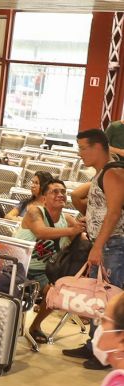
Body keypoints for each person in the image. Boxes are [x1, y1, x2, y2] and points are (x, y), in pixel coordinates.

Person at [66, 128, 124, 369]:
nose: (80, 153)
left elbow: (114, 213)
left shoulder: (112, 173)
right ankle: (94, 345)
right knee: (97, 297)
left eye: (83, 148)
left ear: (98, 147)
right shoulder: (102, 173)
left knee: (109, 299)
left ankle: (106, 352)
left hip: (113, 245)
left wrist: (98, 246)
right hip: (106, 244)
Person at [18, 179, 85, 343]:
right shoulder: (35, 212)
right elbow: (41, 232)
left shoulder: (67, 219)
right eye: (55, 191)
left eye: (63, 192)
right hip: (20, 266)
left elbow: (82, 240)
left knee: (57, 292)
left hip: (44, 271)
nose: (60, 194)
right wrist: (72, 230)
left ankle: (35, 326)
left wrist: (85, 229)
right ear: (44, 198)